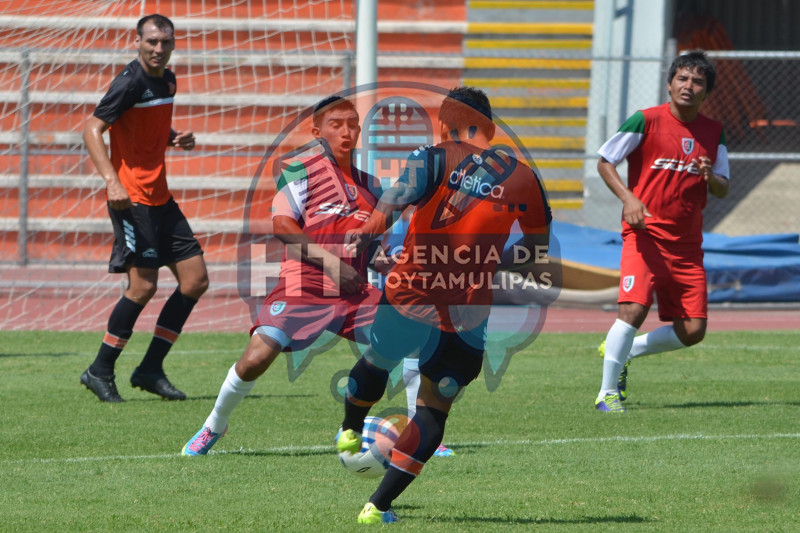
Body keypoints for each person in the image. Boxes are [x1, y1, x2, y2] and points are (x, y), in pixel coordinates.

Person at [335, 86, 552, 524]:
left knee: (379, 359)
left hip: (410, 293)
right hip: (467, 314)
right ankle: (377, 507)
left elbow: (396, 198)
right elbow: (537, 246)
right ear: (490, 128)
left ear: (445, 124)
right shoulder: (523, 177)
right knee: (435, 409)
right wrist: (497, 262)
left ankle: (351, 428)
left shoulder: (432, 156)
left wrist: (371, 230)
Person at [180, 96, 380, 454]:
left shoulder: (373, 186)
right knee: (256, 359)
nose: (346, 131)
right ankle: (214, 426)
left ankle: (421, 433)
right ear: (317, 131)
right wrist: (333, 264)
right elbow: (284, 226)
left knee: (408, 342)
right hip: (302, 286)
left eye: (352, 124)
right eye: (336, 124)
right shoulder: (301, 171)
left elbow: (379, 245)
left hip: (354, 291)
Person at [80, 14, 208, 403]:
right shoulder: (131, 79)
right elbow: (92, 128)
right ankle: (100, 370)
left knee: (195, 280)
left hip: (161, 198)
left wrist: (174, 138)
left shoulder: (168, 79)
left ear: (173, 44)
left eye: (165, 42)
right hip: (131, 199)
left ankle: (150, 370)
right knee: (143, 287)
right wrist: (111, 181)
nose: (158, 48)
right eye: (151, 41)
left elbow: (147, 126)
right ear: (137, 42)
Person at [594, 50, 730, 413]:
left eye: (697, 81)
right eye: (682, 78)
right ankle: (606, 395)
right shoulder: (645, 120)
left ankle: (625, 352)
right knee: (633, 310)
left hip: (687, 245)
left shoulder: (713, 132)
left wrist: (709, 176)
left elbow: (723, 187)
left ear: (706, 91)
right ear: (670, 84)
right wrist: (629, 199)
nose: (688, 86)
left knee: (693, 330)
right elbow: (606, 160)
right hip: (645, 236)